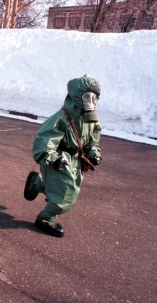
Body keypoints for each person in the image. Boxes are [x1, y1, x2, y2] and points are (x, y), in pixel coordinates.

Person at [23, 75, 102, 238]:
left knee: (69, 189)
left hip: (76, 160)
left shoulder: (91, 120)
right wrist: (52, 158)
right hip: (59, 158)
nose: (91, 101)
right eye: (87, 96)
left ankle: (37, 183)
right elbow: (45, 139)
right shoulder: (62, 118)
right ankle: (45, 219)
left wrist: (94, 154)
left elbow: (93, 140)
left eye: (95, 97)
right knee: (67, 195)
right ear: (77, 96)